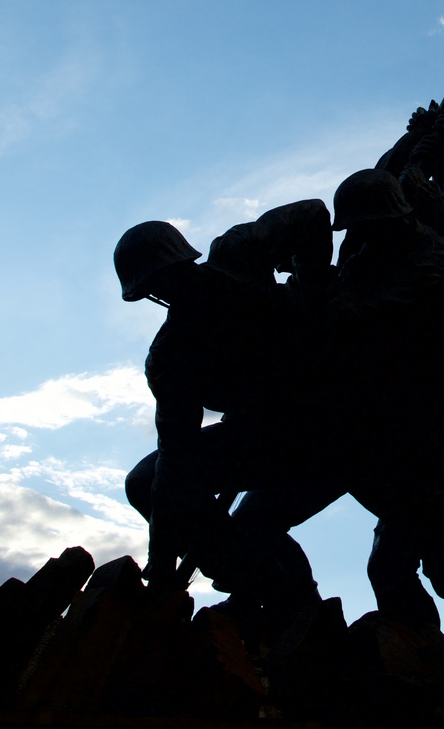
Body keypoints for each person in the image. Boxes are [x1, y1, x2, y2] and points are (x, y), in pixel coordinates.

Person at [113, 206, 339, 617]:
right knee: (145, 483)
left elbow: (312, 214)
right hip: (267, 434)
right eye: (157, 285)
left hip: (334, 416)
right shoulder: (170, 358)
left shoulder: (239, 252)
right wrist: (162, 561)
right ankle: (257, 580)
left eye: (167, 276)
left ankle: (274, 588)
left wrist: (313, 286)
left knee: (256, 523)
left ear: (185, 261)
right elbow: (175, 458)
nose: (168, 289)